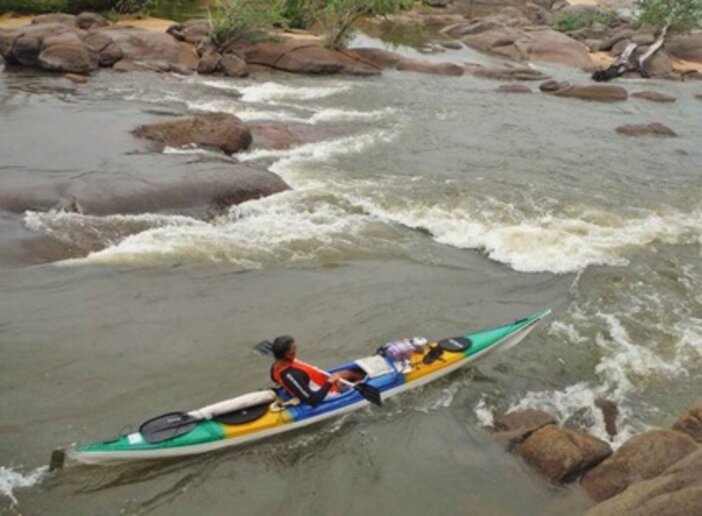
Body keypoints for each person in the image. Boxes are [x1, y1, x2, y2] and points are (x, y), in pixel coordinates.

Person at [269, 335, 365, 407]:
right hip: (327, 395)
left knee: (348, 373)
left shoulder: (275, 366)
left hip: (317, 384)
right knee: (360, 383)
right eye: (295, 348)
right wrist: (330, 382)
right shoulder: (292, 375)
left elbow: (276, 379)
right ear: (288, 354)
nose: (297, 347)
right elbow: (313, 400)